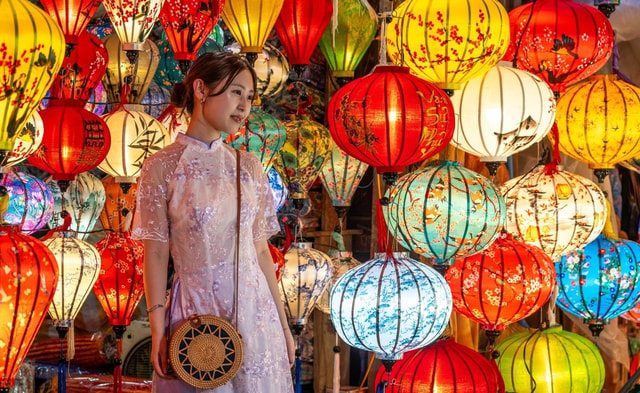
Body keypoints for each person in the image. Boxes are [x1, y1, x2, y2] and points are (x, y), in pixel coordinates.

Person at [132, 52, 295, 392]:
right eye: (236, 92)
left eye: (249, 97)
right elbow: (157, 254)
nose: (244, 106)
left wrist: (283, 326)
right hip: (195, 314)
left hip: (255, 314)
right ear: (201, 89)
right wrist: (159, 329)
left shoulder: (248, 166)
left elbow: (261, 252)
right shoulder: (162, 167)